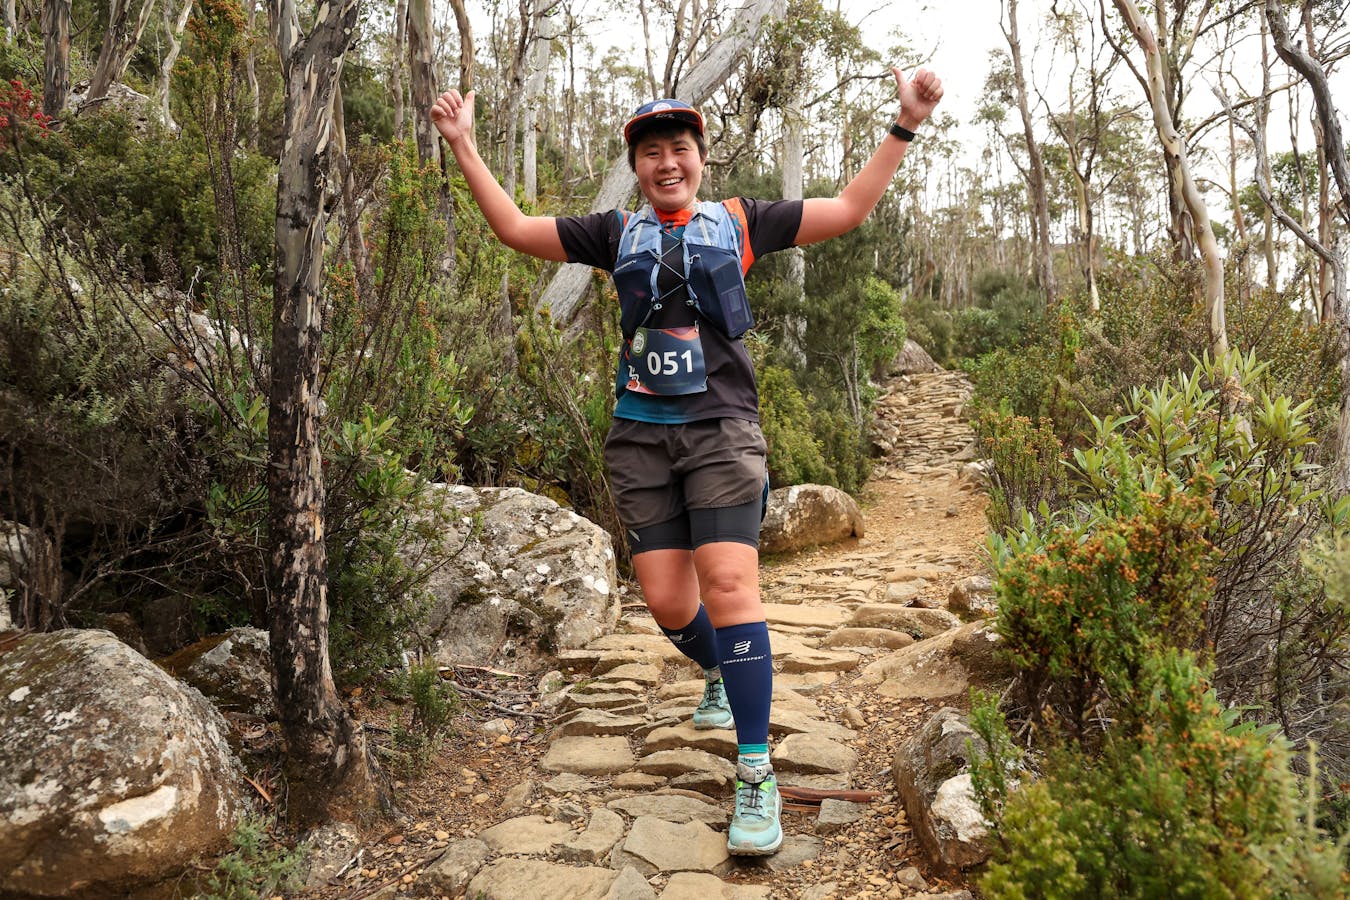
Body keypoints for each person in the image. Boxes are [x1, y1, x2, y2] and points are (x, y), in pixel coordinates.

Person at [432, 64, 943, 856]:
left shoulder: (744, 220)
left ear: (700, 155)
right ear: (636, 167)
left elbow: (846, 209)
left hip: (721, 430)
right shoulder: (612, 234)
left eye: (679, 147)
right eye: (650, 153)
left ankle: (754, 771)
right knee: (670, 604)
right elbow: (514, 229)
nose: (666, 162)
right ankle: (717, 670)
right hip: (640, 436)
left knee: (732, 586)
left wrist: (903, 125)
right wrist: (464, 146)